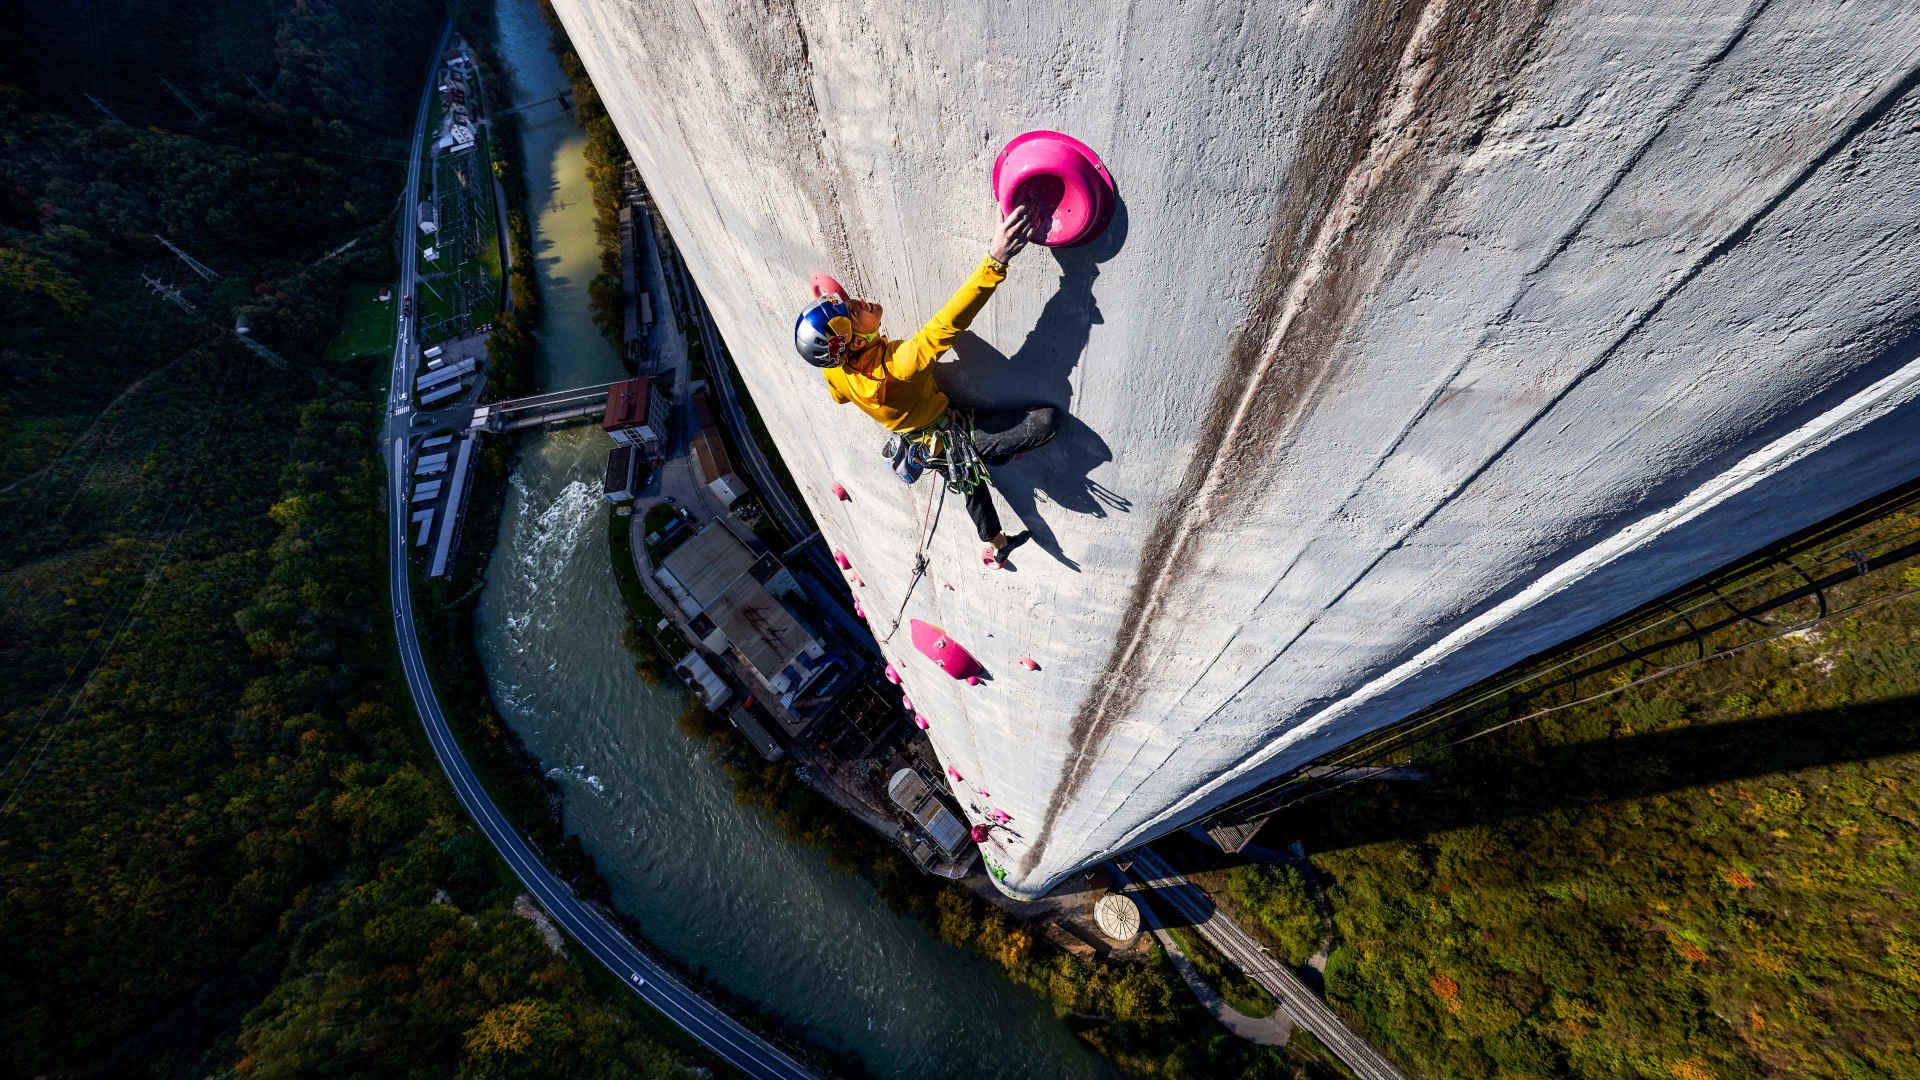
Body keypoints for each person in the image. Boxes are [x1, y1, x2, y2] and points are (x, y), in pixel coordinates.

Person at [793, 206, 1061, 567]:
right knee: (1045, 423)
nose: (861, 301)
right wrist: (995, 260)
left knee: (968, 479)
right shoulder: (899, 365)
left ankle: (997, 543)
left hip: (924, 442)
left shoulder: (836, 371)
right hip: (948, 432)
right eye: (855, 310)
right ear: (856, 340)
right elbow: (946, 325)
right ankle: (992, 459)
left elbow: (839, 395)